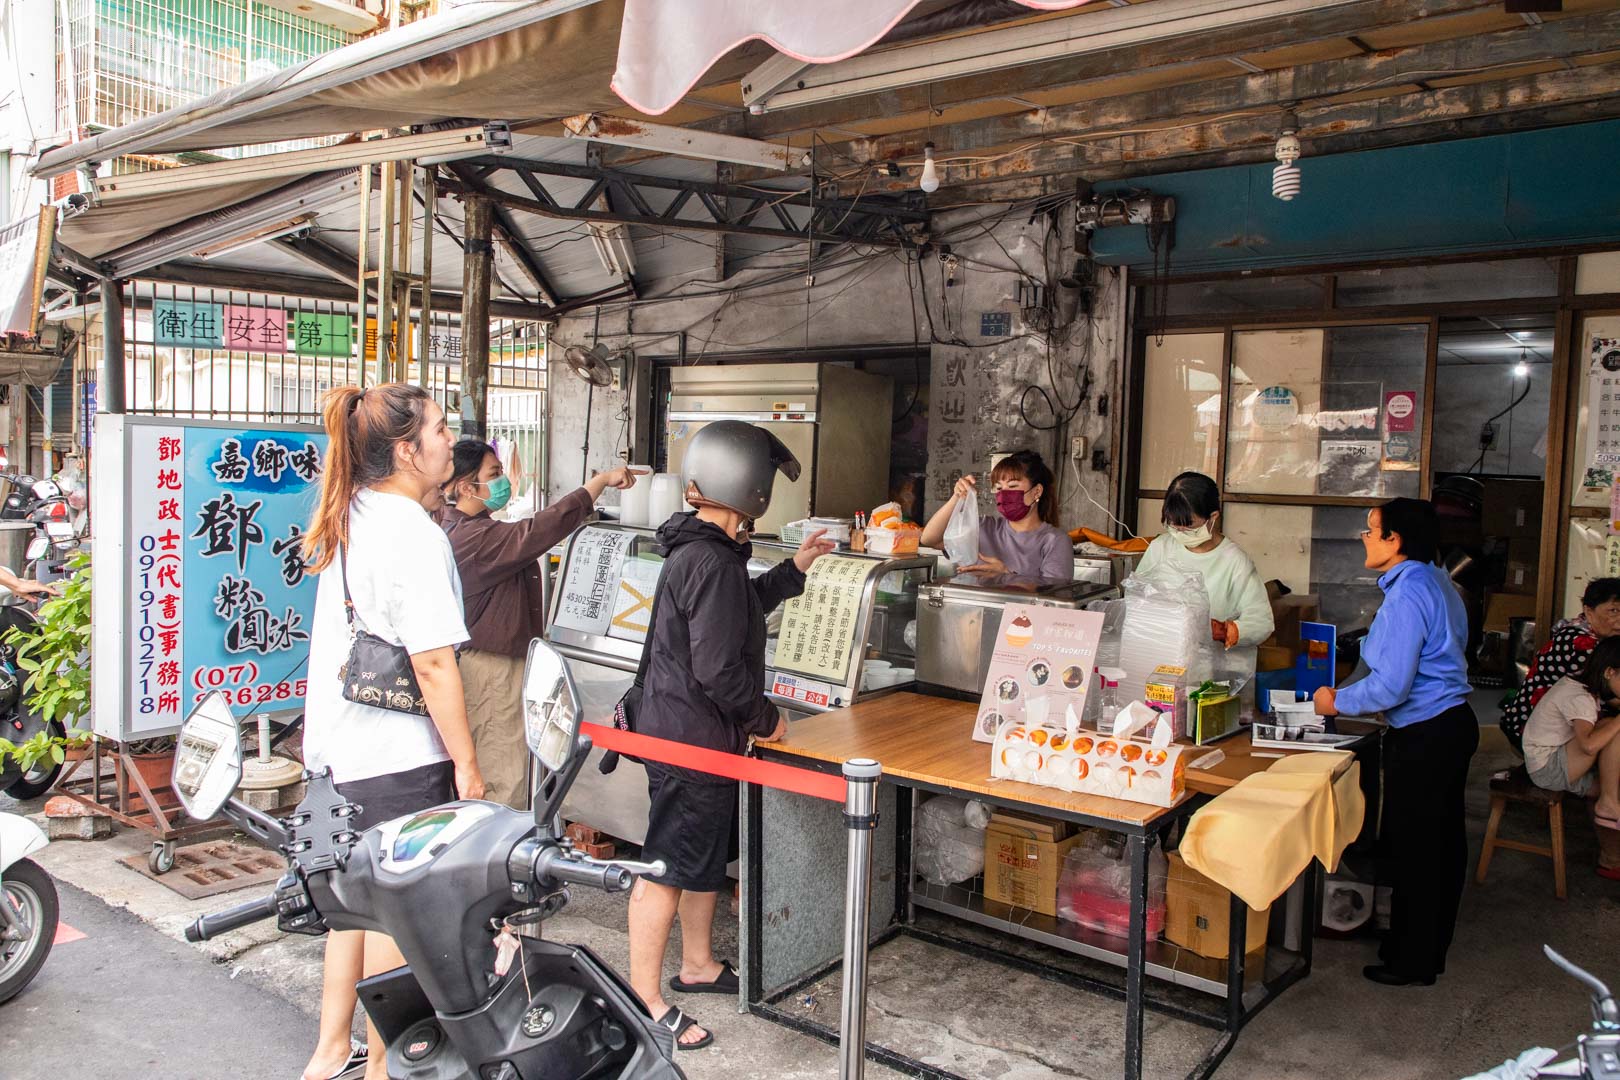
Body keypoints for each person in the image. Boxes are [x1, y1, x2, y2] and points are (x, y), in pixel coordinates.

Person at [628, 420, 834, 1051]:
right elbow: (718, 668)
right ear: (752, 487)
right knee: (668, 865)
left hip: (684, 732)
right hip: (691, 739)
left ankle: (697, 964)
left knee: (701, 859)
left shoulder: (704, 552)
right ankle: (645, 999)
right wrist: (766, 718)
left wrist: (794, 568)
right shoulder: (710, 560)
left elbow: (739, 609)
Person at [298, 384, 485, 1080]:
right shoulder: (412, 532)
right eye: (439, 429)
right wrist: (466, 764)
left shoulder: (356, 512)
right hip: (396, 758)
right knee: (395, 917)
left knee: (354, 907)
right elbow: (434, 664)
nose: (449, 440)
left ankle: (328, 1052)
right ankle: (382, 1067)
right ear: (406, 450)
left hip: (340, 751)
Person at [1314, 498, 1475, 988]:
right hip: (1450, 725)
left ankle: (1411, 961)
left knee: (1417, 851)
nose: (1364, 538)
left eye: (1372, 530)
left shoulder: (1408, 597)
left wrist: (1334, 702)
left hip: (1426, 735)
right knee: (1440, 848)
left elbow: (1390, 687)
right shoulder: (1438, 581)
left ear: (1395, 540)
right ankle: (1425, 949)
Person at [440, 438, 640, 808]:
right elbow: (536, 532)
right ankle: (497, 858)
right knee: (505, 773)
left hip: (499, 665)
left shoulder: (469, 528)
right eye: (494, 474)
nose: (503, 481)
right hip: (491, 671)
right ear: (467, 487)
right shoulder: (472, 537)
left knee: (511, 763)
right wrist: (596, 485)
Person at [1134, 471, 1274, 669]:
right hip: (1161, 665)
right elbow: (1136, 601)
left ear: (1212, 517)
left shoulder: (1234, 561)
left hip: (1213, 672)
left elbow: (1262, 623)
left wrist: (1223, 630)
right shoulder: (1161, 547)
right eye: (1173, 525)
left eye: (1188, 526)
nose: (1179, 533)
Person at [1500, 578, 1620, 755]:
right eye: (1614, 610)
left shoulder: (1599, 637)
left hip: (1555, 726)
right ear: (1589, 611)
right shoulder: (1579, 643)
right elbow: (1607, 693)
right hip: (1529, 730)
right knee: (1610, 731)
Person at [1521, 638, 1620, 844]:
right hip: (1548, 768)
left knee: (1614, 782)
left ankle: (1610, 857)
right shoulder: (1580, 697)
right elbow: (1588, 745)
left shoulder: (1582, 685)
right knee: (1611, 727)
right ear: (1609, 672)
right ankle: (1608, 803)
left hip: (1553, 763)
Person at [919, 449, 1071, 580]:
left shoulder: (1055, 540)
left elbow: (1054, 596)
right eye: (999, 488)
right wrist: (957, 497)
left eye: (1012, 486)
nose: (1004, 494)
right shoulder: (983, 527)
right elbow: (929, 539)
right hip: (975, 612)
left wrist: (1005, 575)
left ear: (1037, 491)